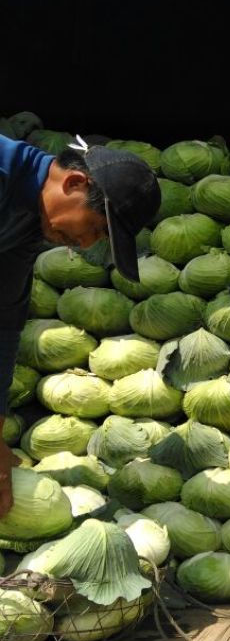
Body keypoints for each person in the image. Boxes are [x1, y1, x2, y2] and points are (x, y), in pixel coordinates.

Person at [0, 134, 160, 517]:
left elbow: (4, 324)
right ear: (74, 183)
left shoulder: (26, 225)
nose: (87, 244)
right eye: (96, 228)